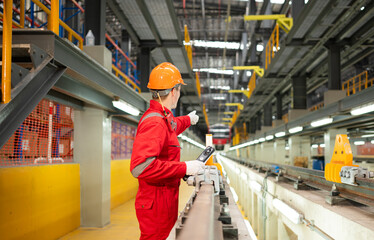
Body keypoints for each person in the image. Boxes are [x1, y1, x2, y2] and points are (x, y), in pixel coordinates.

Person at [130, 62, 205, 239]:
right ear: (173, 91)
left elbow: (172, 127)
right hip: (156, 206)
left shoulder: (163, 117)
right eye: (178, 90)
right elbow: (140, 167)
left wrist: (188, 119)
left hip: (164, 201)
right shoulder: (155, 122)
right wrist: (184, 168)